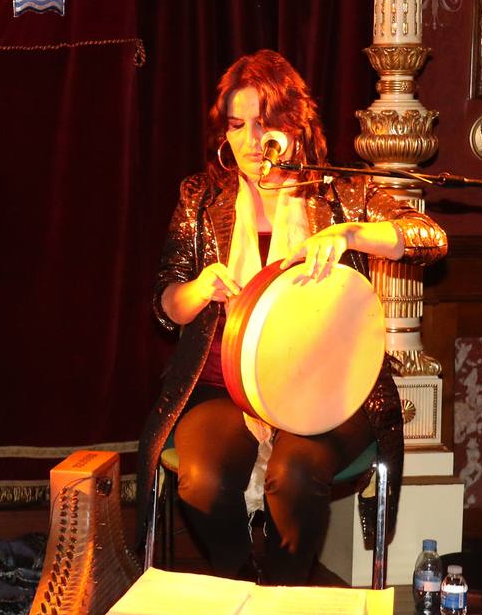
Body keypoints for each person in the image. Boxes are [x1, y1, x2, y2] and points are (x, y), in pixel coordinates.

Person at [139, 50, 447, 585]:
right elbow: (166, 306)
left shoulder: (339, 194)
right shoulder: (200, 197)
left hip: (331, 389)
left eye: (266, 124)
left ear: (295, 128)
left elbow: (428, 238)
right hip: (224, 385)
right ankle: (241, 582)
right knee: (203, 480)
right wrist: (197, 290)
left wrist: (350, 234)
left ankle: (284, 599)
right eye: (238, 126)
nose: (252, 141)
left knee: (295, 475)